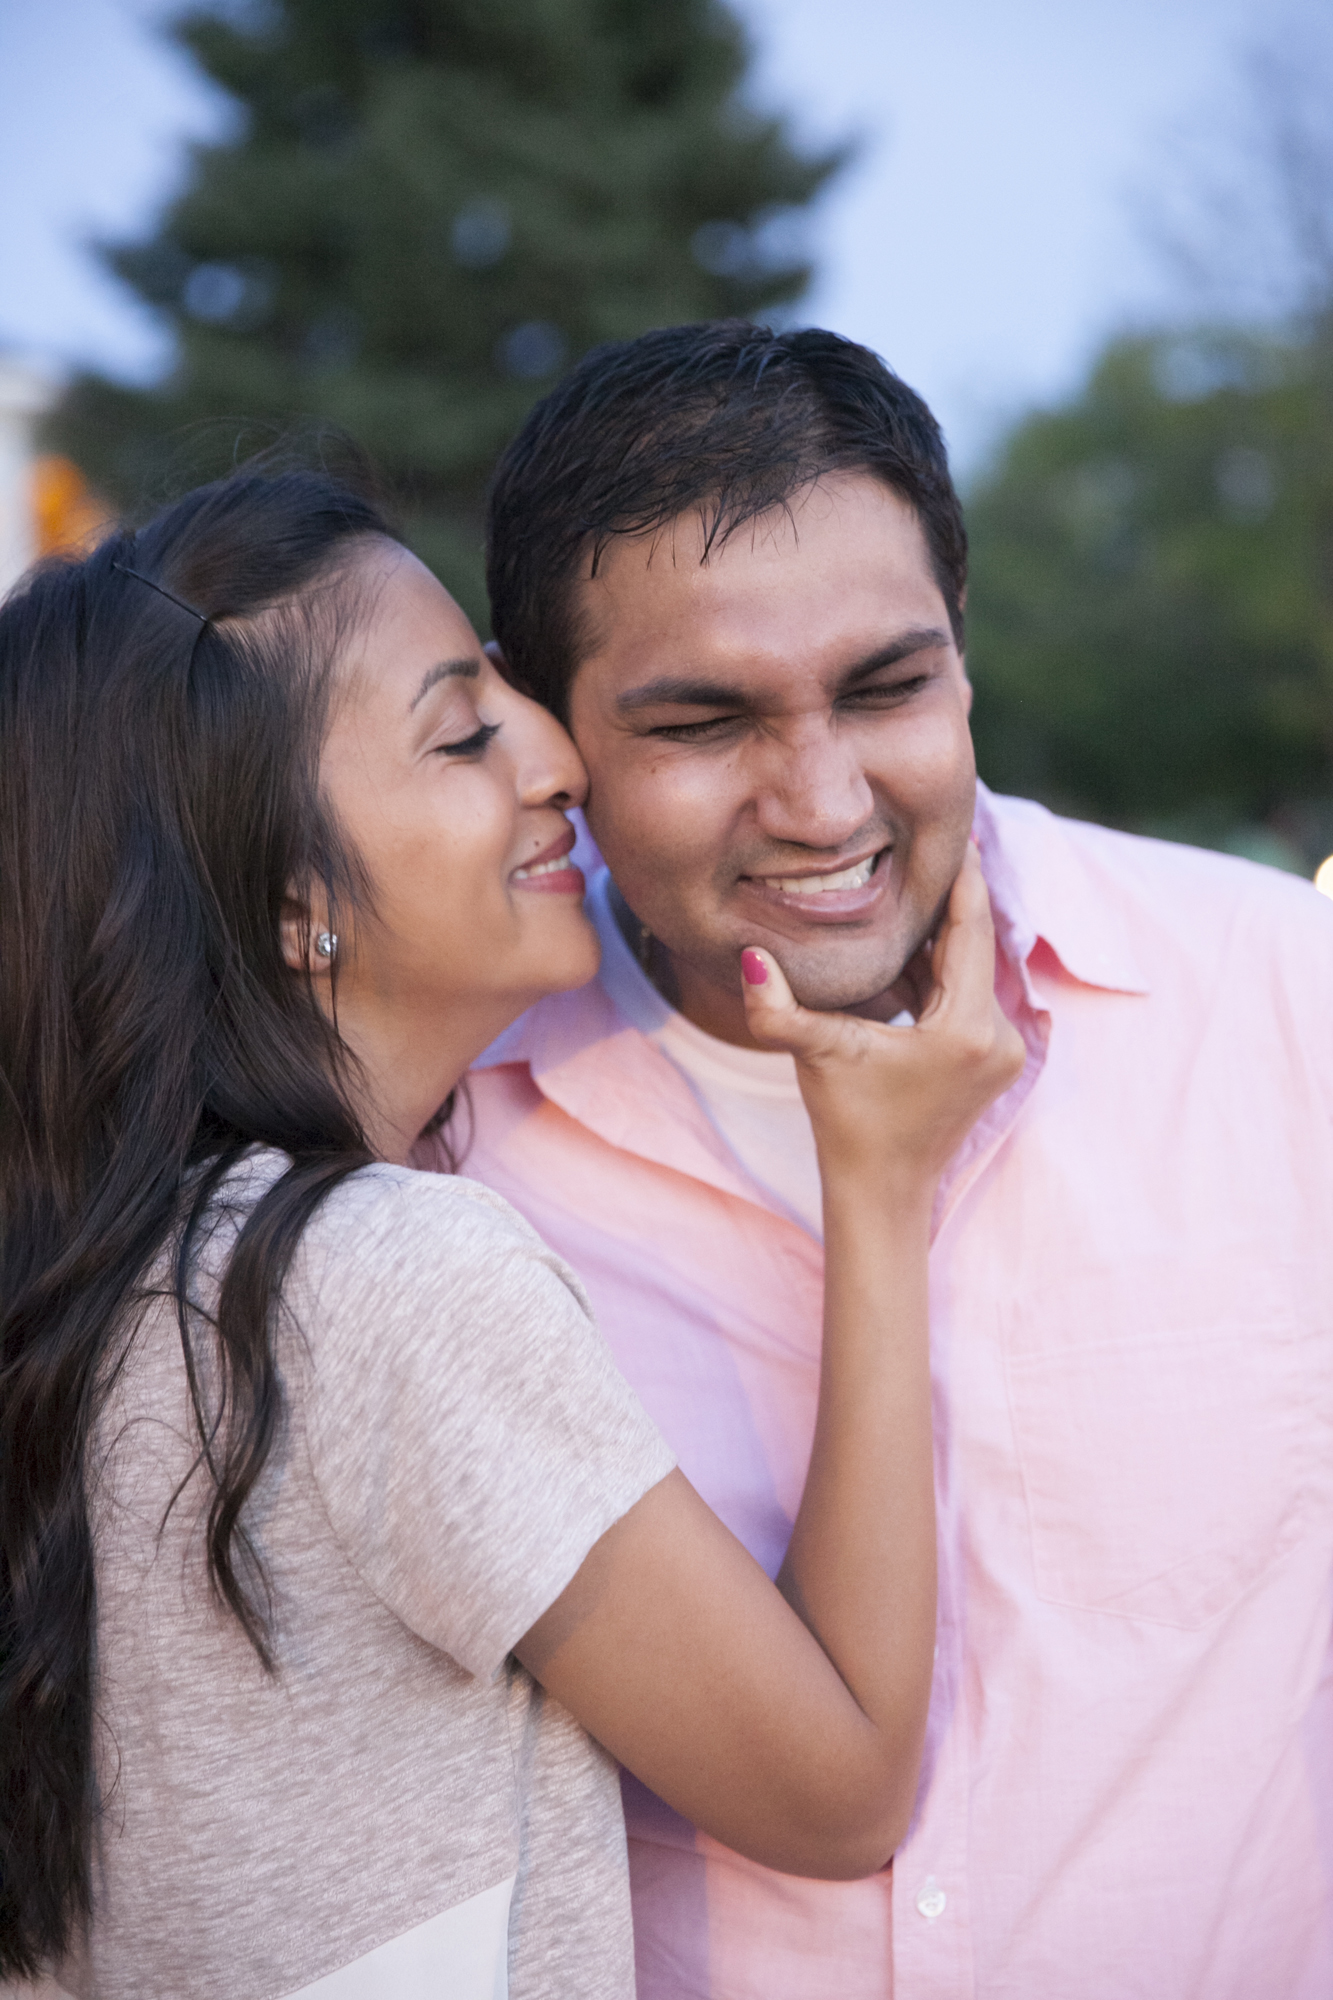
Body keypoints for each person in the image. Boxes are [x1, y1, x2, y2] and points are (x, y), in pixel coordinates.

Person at [0, 466, 1021, 2000]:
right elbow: (836, 1791)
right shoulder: (382, 1277)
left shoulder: (110, 1264)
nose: (557, 758)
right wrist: (875, 1188)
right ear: (291, 902)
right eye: (462, 732)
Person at [431, 321, 1333, 1999]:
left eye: (885, 686)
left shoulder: (1285, 1004)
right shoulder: (440, 1138)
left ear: (962, 651)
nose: (823, 799)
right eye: (704, 720)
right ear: (543, 727)